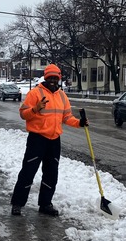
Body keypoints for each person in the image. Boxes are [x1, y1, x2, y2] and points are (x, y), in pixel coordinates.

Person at [10, 64, 88, 216]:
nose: (53, 80)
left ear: (59, 79)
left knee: (51, 174)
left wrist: (79, 123)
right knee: (28, 172)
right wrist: (35, 109)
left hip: (54, 140)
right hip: (37, 139)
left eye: (56, 77)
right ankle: (17, 203)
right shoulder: (35, 93)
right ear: (45, 78)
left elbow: (67, 117)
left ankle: (45, 204)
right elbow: (23, 114)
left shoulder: (62, 96)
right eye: (50, 77)